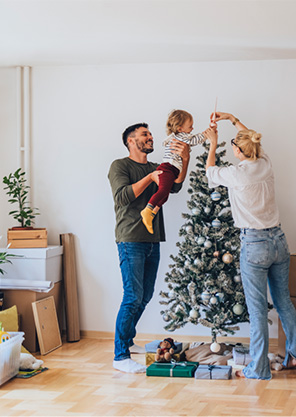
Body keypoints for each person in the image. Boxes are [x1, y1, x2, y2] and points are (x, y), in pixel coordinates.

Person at [205, 112, 296, 380]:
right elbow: (253, 141)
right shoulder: (265, 163)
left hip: (255, 244)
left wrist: (213, 143)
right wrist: (233, 119)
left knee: (258, 309)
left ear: (237, 150)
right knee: (284, 301)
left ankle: (258, 368)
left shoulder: (236, 174)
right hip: (279, 241)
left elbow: (210, 172)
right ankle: (294, 355)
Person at [108, 122, 190, 373]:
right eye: (145, 134)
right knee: (132, 297)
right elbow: (122, 196)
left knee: (144, 296)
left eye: (151, 134)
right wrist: (150, 178)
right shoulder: (120, 166)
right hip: (130, 238)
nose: (151, 137)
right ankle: (120, 356)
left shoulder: (157, 167)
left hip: (153, 240)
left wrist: (184, 159)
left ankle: (128, 341)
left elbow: (174, 186)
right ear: (131, 141)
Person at [140, 110, 213, 234]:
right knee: (162, 191)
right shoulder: (182, 136)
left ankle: (152, 214)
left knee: (165, 195)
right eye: (190, 126)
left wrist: (207, 132)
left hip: (171, 169)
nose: (192, 128)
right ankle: (147, 209)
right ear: (180, 128)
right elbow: (196, 139)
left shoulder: (177, 135)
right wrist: (209, 132)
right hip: (168, 168)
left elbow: (194, 139)